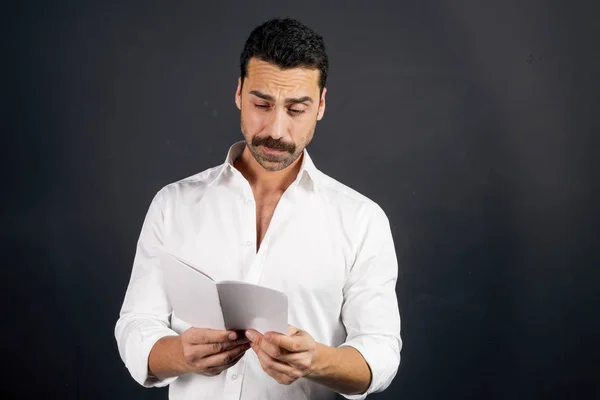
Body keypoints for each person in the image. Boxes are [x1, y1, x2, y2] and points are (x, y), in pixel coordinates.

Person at [114, 17, 401, 400]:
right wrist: (181, 355)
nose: (276, 130)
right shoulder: (174, 204)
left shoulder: (362, 220)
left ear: (321, 105)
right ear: (238, 93)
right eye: (261, 104)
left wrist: (315, 360)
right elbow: (136, 325)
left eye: (296, 109)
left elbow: (380, 352)